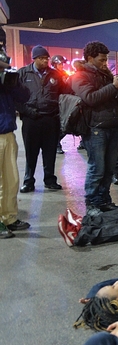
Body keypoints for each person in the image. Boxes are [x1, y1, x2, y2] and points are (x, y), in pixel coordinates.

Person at [71, 41, 118, 214]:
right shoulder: (80, 76)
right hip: (95, 128)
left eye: (106, 60)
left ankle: (104, 199)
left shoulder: (106, 75)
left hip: (113, 127)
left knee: (109, 169)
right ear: (90, 58)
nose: (105, 63)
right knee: (96, 168)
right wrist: (113, 86)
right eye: (101, 60)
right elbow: (90, 98)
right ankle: (92, 203)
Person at [17, 45, 66, 192]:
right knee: (31, 152)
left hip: (50, 119)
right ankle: (28, 181)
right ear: (35, 59)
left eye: (46, 58)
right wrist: (27, 111)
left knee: (50, 151)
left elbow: (63, 94)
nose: (45, 61)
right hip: (31, 119)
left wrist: (59, 112)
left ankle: (50, 179)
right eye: (42, 58)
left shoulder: (55, 74)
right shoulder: (23, 74)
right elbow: (16, 98)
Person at [0, 47, 31, 238]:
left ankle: (9, 217)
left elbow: (25, 97)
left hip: (8, 133)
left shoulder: (7, 81)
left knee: (11, 181)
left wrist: (12, 83)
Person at [50, 54, 70, 154]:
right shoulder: (52, 75)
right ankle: (56, 144)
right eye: (60, 64)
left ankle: (56, 143)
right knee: (59, 126)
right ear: (55, 64)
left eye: (62, 64)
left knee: (65, 126)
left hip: (63, 102)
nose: (62, 66)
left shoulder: (63, 74)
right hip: (55, 104)